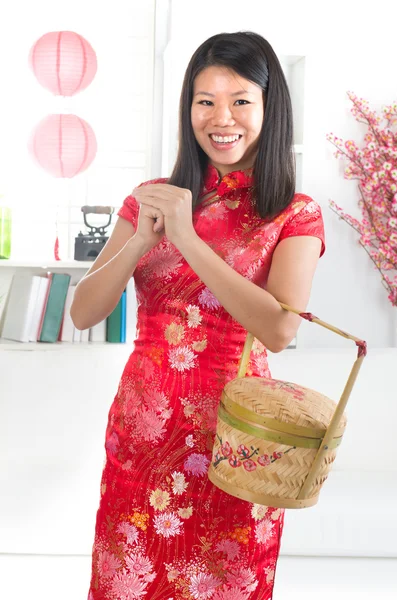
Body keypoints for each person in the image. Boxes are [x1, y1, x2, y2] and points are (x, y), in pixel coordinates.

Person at [71, 30, 325, 600]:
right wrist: (141, 241)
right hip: (144, 440)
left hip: (238, 446)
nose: (221, 117)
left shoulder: (293, 214)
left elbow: (280, 329)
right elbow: (84, 312)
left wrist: (188, 238)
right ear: (188, 109)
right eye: (204, 100)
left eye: (240, 101)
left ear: (268, 107)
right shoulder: (150, 198)